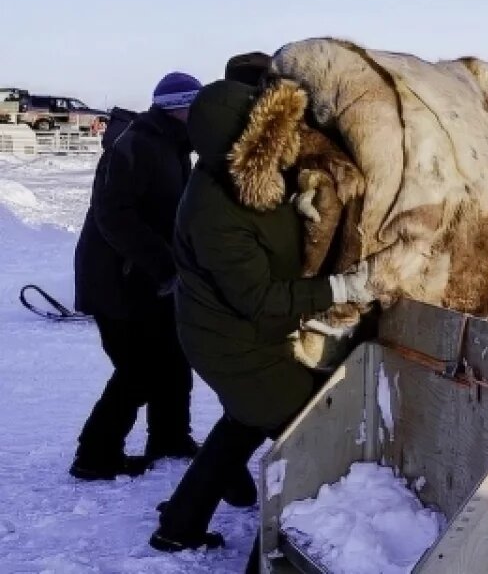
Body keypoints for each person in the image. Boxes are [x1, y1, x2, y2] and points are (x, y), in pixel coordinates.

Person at [150, 78, 375, 555]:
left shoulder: (240, 175)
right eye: (268, 144)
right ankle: (275, 557)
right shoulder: (213, 213)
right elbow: (259, 297)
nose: (283, 151)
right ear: (241, 147)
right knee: (312, 435)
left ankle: (179, 524)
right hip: (235, 346)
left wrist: (301, 207)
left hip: (241, 333)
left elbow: (265, 220)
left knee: (242, 423)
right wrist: (340, 288)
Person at [70, 72, 203, 480]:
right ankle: (95, 455)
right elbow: (114, 215)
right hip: (118, 280)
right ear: (179, 108)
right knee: (139, 369)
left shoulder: (173, 145)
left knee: (173, 355)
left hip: (146, 278)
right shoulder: (137, 145)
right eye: (196, 109)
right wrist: (163, 264)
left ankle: (170, 437)